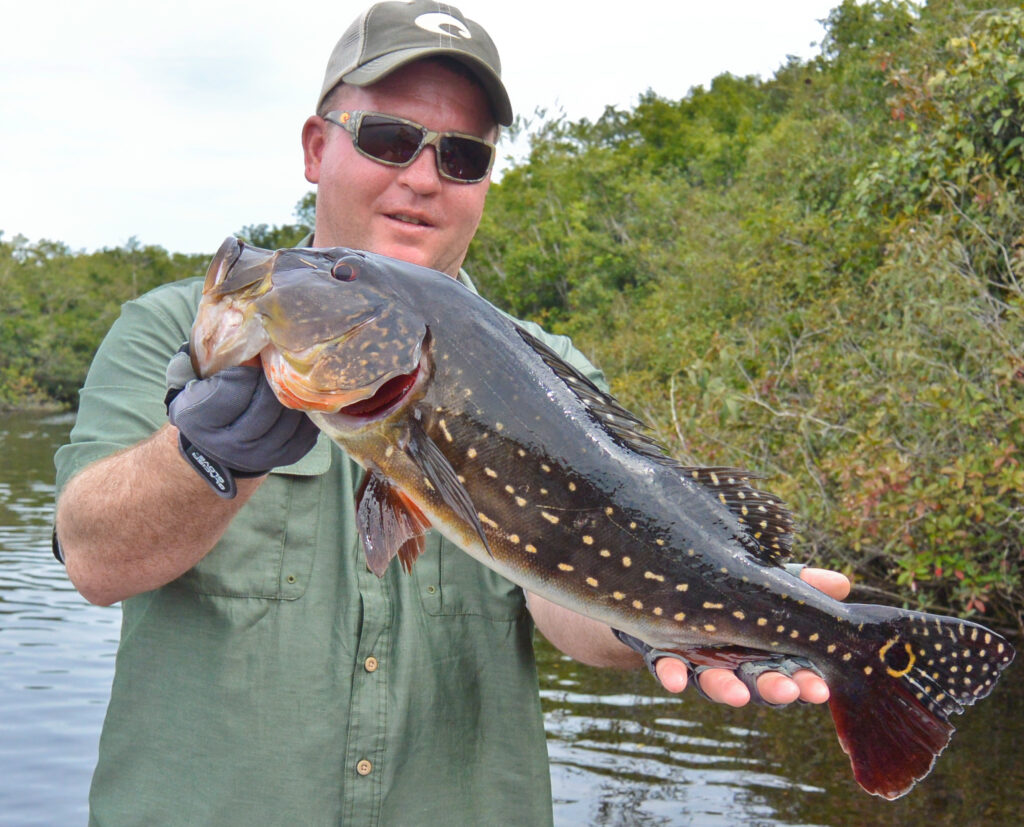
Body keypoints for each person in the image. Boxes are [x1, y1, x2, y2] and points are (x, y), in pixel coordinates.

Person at [54, 2, 850, 824]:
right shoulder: (167, 329)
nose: (424, 177)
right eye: (389, 139)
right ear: (315, 147)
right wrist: (203, 457)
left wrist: (674, 623)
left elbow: (565, 601)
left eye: (462, 156)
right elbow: (93, 559)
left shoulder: (550, 372)